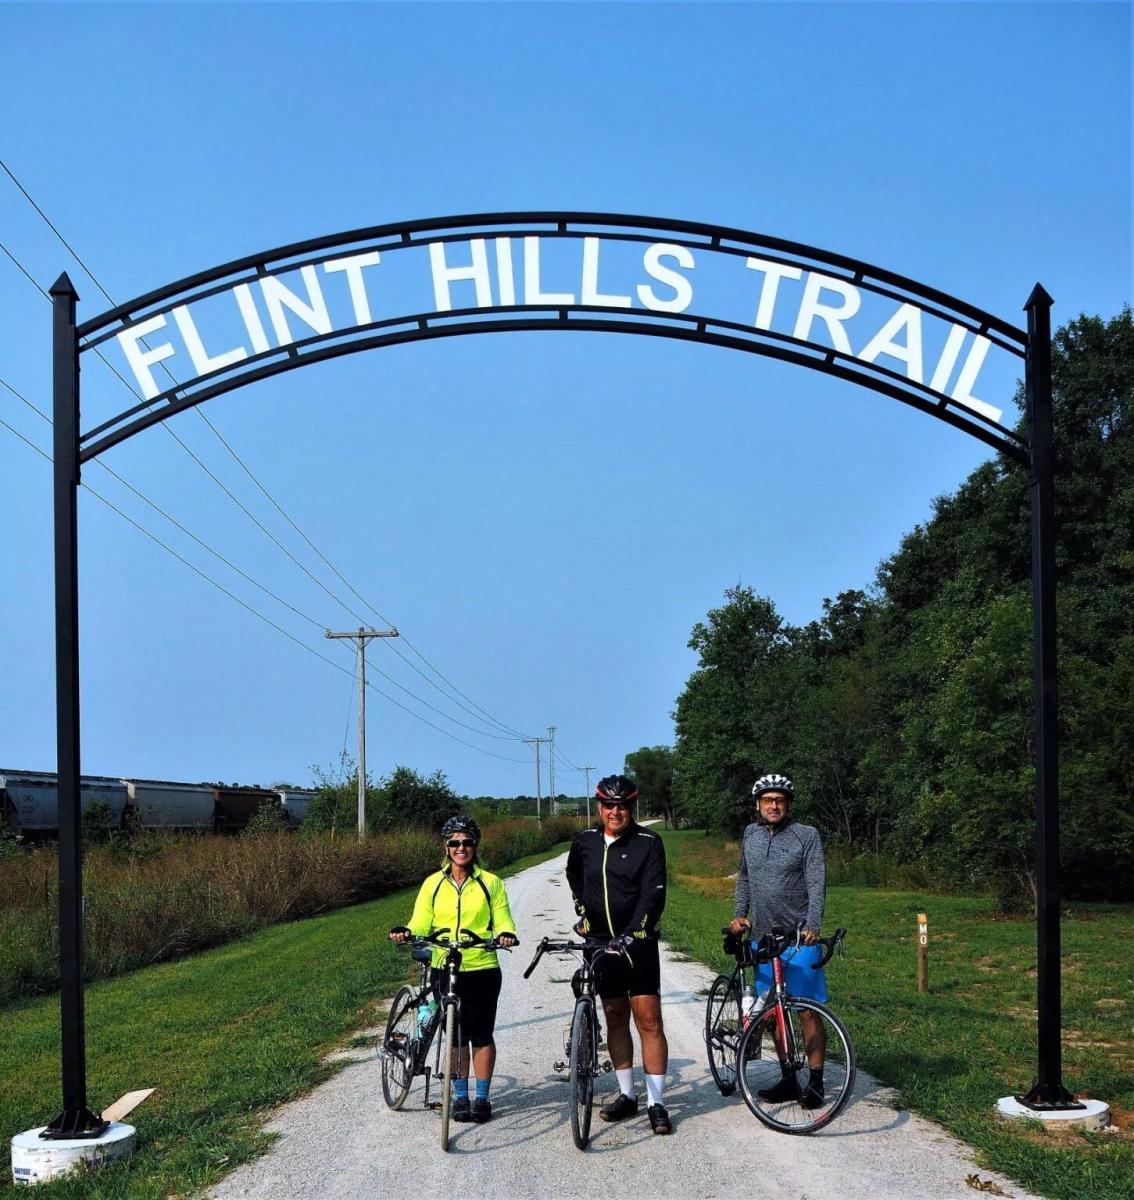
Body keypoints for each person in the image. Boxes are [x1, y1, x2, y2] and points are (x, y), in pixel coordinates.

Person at [390, 815, 518, 1123]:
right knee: (456, 1036)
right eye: (455, 842)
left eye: (467, 842)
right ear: (446, 847)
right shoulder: (433, 884)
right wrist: (407, 931)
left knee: (482, 1034)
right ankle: (460, 1096)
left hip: (481, 966)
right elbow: (421, 920)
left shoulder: (491, 883)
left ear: (475, 846)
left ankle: (482, 1098)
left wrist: (505, 934)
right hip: (444, 966)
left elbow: (502, 918)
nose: (461, 848)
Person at [565, 774, 671, 1134]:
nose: (615, 811)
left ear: (631, 808)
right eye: (609, 805)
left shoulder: (648, 842)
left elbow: (653, 893)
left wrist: (634, 931)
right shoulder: (585, 841)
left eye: (622, 805)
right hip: (599, 942)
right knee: (613, 1016)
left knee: (648, 1019)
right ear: (599, 807)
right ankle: (628, 1095)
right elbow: (573, 875)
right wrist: (582, 909)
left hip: (637, 942)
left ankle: (657, 1102)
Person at [729, 773, 828, 1108]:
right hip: (761, 937)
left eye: (780, 800)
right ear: (758, 804)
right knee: (773, 1011)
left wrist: (814, 923)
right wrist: (739, 914)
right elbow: (744, 876)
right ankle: (788, 1077)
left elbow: (816, 881)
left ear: (788, 805)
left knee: (806, 1012)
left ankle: (815, 1082)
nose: (774, 805)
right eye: (768, 800)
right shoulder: (750, 834)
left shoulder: (806, 836)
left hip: (798, 938)